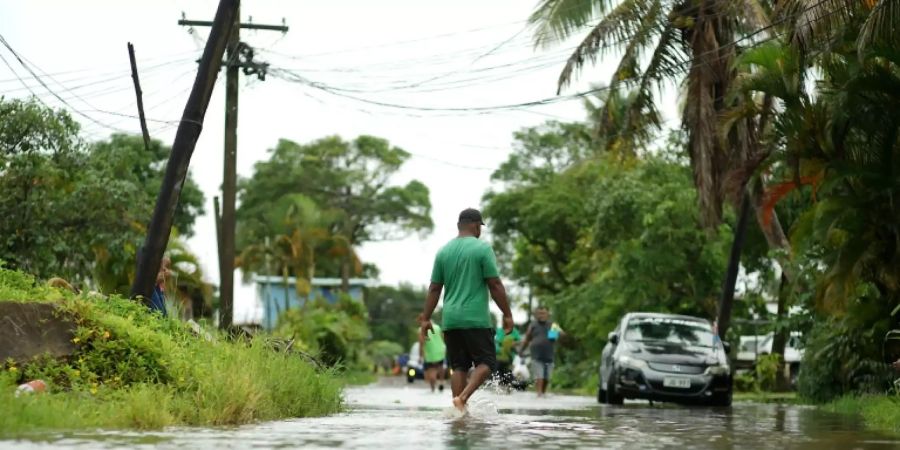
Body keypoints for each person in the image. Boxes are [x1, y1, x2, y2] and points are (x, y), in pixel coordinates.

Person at [420, 208, 514, 412]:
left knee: (459, 366)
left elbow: (434, 288)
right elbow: (495, 284)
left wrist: (425, 319)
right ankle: (462, 398)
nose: (480, 230)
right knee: (487, 362)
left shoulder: (443, 251)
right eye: (480, 226)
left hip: (451, 320)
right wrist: (507, 314)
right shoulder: (482, 249)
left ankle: (458, 410)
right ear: (474, 225)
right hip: (475, 319)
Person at [521, 306, 564, 396]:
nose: (541, 315)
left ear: (548, 314)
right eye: (539, 313)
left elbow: (562, 335)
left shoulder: (553, 325)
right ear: (536, 315)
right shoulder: (533, 325)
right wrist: (522, 350)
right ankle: (539, 394)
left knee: (547, 378)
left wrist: (559, 333)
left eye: (543, 313)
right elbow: (527, 338)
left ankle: (542, 393)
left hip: (549, 355)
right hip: (536, 355)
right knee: (539, 376)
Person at [418, 314, 447, 392]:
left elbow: (421, 344)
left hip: (430, 354)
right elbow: (442, 338)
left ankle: (433, 388)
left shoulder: (421, 330)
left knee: (432, 372)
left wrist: (420, 356)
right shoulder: (437, 327)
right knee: (440, 367)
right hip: (440, 351)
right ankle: (441, 382)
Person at [494, 324, 521, 389]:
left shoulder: (514, 331)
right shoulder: (499, 330)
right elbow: (495, 341)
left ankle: (506, 387)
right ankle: (500, 387)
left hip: (509, 358)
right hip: (498, 357)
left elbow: (519, 341)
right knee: (499, 373)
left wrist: (514, 344)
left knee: (507, 373)